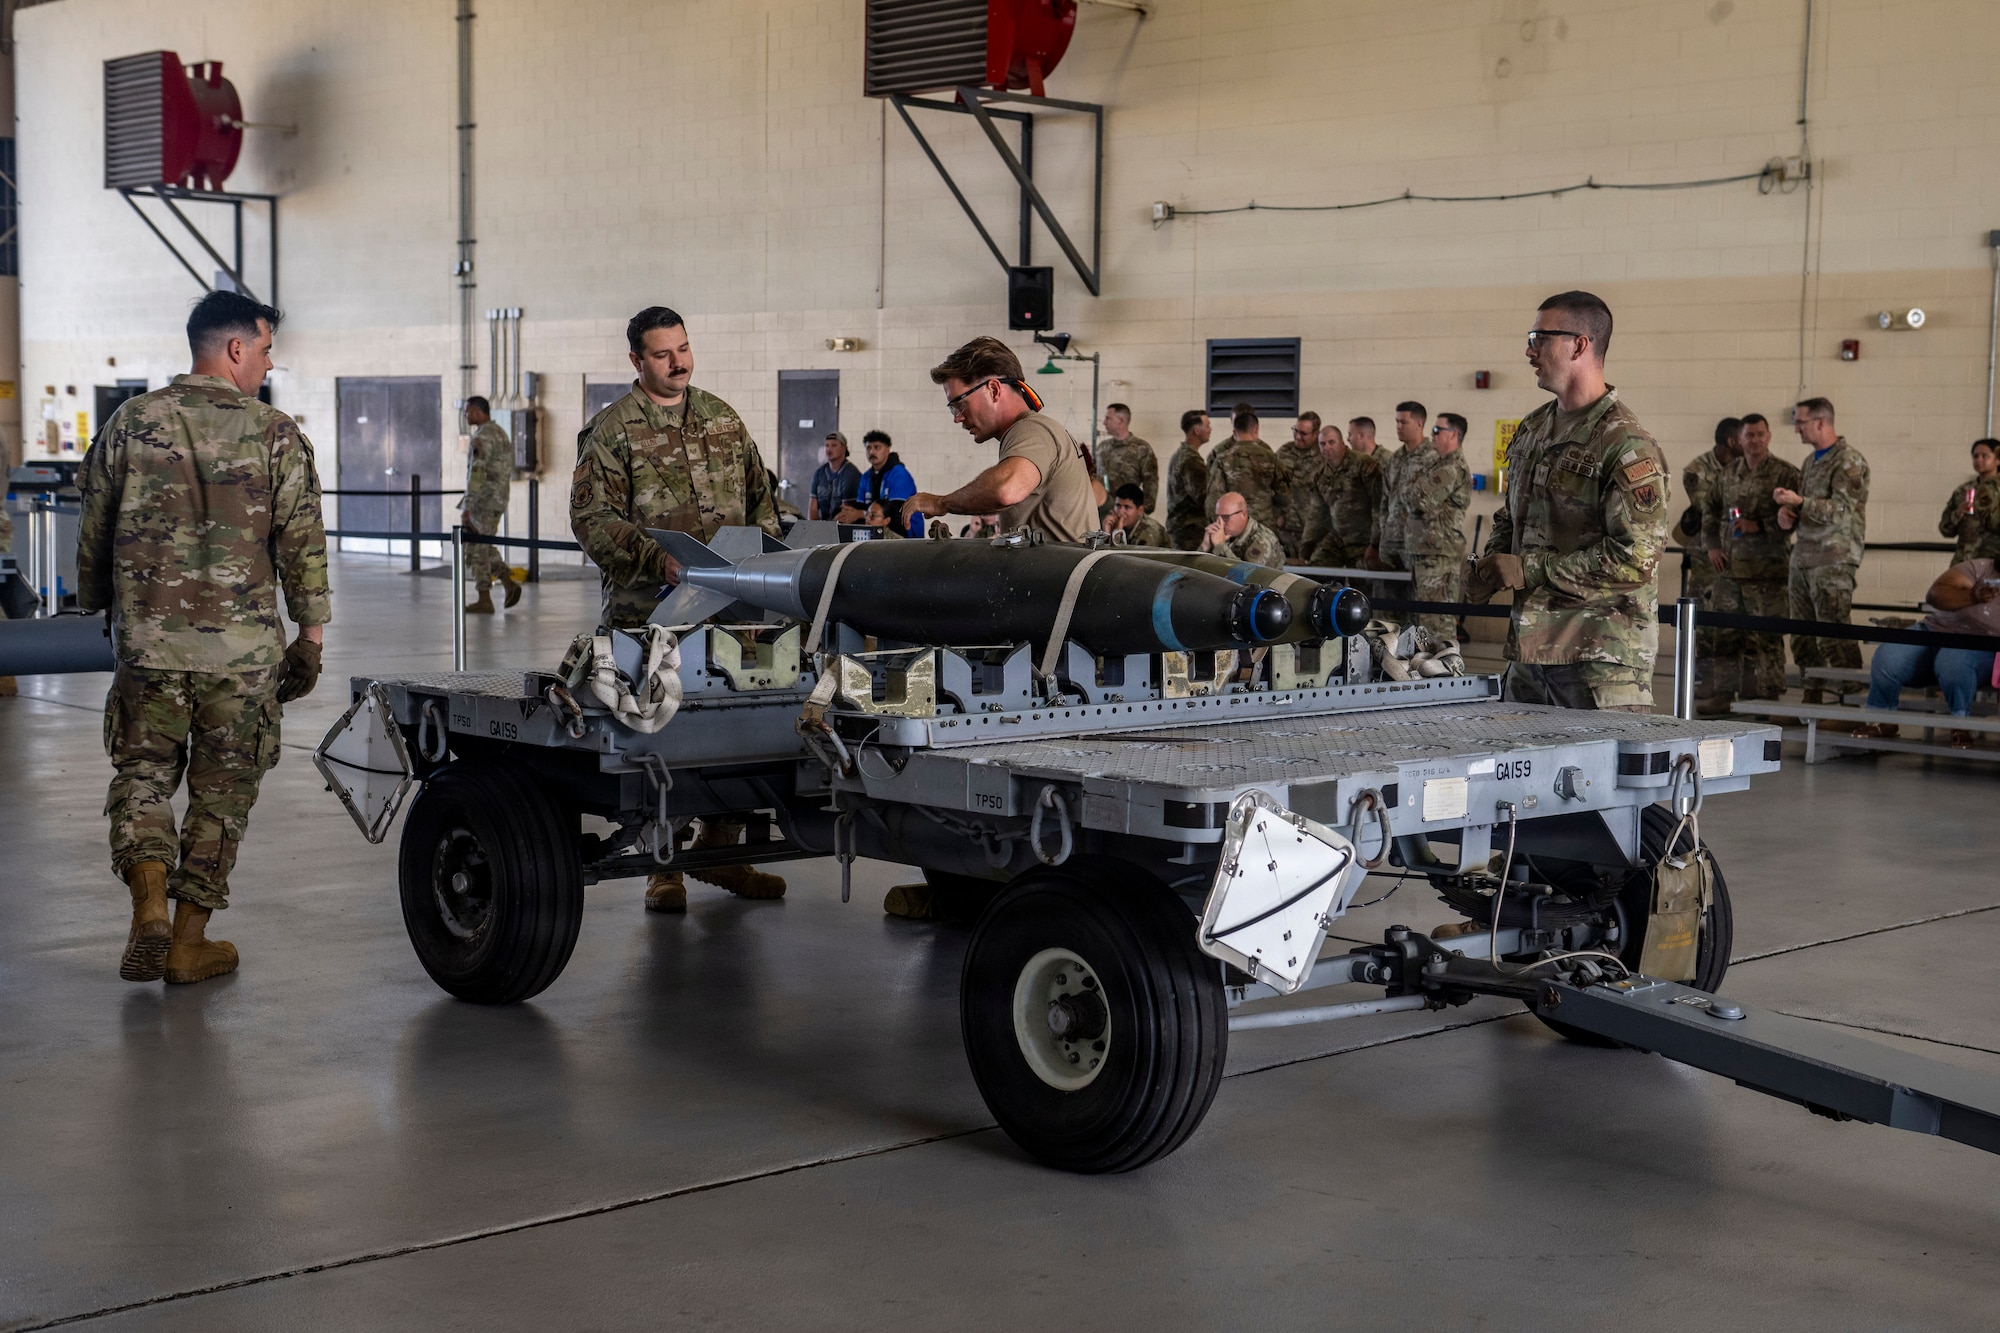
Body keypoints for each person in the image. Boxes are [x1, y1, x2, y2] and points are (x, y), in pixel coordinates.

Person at [76, 289, 329, 985]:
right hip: (240, 658)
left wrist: (99, 609)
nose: (268, 365)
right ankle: (188, 943)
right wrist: (307, 639)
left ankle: (149, 906)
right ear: (236, 347)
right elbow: (303, 544)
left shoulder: (131, 421)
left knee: (144, 774)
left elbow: (93, 526)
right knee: (223, 794)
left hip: (149, 646)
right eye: (267, 349)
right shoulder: (274, 432)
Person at [570, 305, 786, 913]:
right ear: (637, 360)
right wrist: (652, 558)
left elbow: (763, 505)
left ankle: (726, 849)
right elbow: (590, 519)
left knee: (749, 723)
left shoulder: (723, 419)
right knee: (658, 735)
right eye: (663, 354)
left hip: (738, 608)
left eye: (684, 348)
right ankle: (664, 866)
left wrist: (769, 569)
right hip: (652, 614)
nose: (679, 362)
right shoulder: (612, 431)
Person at [1473, 291, 1670, 711]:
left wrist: (1527, 569)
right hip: (1530, 657)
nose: (1530, 350)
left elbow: (1635, 558)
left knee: (1595, 779)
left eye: (1540, 337)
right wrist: (1492, 566)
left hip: (1599, 663)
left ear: (1580, 344)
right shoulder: (1533, 428)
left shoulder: (1625, 444)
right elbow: (1511, 516)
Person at [907, 336, 1096, 543]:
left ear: (994, 390)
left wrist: (940, 503)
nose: (957, 417)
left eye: (959, 404)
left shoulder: (1032, 429)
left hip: (1059, 574)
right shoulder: (1034, 431)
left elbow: (1005, 490)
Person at [1702, 413, 1799, 713]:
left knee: (1766, 638)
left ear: (1769, 436)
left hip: (1767, 572)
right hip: (1729, 571)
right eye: (1749, 435)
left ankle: (1769, 699)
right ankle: (1724, 695)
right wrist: (1713, 548)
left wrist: (1759, 525)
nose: (1755, 440)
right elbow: (1711, 509)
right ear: (1739, 439)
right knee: (1726, 635)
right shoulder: (1728, 472)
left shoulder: (1786, 474)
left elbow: (1795, 519)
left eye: (1760, 434)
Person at [1775, 397, 1869, 699]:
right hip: (1803, 557)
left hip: (1833, 559)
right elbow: (1808, 508)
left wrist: (1799, 503)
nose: (1796, 430)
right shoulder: (1810, 462)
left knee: (1833, 634)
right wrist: (1789, 512)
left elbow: (1842, 510)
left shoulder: (1848, 461)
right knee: (1802, 636)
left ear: (1820, 422)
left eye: (1800, 423)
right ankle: (1811, 698)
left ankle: (1852, 701)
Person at [1857, 559, 1999, 749]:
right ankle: (1880, 719)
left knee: (1953, 664)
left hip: (1978, 643)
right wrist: (1973, 595)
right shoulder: (1980, 568)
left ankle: (1960, 724)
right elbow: (1936, 594)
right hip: (1933, 630)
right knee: (1887, 656)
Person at [1680, 417, 1741, 709]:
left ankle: (1731, 683)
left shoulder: (1743, 468)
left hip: (1737, 554)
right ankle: (1706, 681)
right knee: (1703, 618)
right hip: (1707, 556)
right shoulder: (1697, 470)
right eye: (1743, 437)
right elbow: (1711, 509)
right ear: (1731, 441)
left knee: (1731, 620)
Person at [1403, 413, 1472, 640]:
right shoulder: (1438, 465)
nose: (1431, 434)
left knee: (1436, 623)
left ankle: (1444, 669)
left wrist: (1415, 488)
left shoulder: (1451, 469)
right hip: (1426, 551)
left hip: (1438, 553)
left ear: (1453, 434)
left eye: (1437, 430)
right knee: (1421, 620)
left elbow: (1418, 498)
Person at [460, 396, 521, 614]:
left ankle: (485, 597)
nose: (465, 415)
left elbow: (477, 473)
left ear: (477, 412)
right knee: (483, 545)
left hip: (483, 501)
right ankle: (507, 582)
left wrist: (468, 504)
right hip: (498, 498)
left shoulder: (482, 437)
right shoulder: (500, 433)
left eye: (467, 411)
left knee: (475, 547)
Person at [1307, 422, 1383, 571]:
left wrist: (1375, 544)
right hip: (1337, 537)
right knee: (1315, 570)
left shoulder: (1363, 463)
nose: (1327, 447)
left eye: (1331, 442)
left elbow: (1378, 504)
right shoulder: (1319, 473)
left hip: (1363, 538)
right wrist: (1306, 548)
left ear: (1342, 443)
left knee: (1362, 583)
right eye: (1322, 444)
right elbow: (1317, 513)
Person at [1369, 401, 1430, 571]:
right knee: (1386, 595)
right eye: (1396, 421)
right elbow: (1385, 500)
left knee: (1415, 596)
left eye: (1403, 422)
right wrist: (1381, 533)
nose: (1398, 426)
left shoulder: (1433, 458)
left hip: (1418, 546)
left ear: (1419, 424)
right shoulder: (1395, 459)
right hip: (1390, 544)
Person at [1204, 404, 1280, 533]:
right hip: (1234, 522)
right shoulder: (1220, 451)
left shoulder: (1266, 451)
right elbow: (1213, 494)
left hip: (1261, 522)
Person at [1271, 411, 1329, 560]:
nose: (1297, 436)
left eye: (1303, 433)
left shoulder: (1324, 456)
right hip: (1284, 530)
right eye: (1295, 431)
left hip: (1311, 531)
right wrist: (1277, 514)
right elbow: (1271, 486)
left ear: (1316, 433)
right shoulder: (1284, 452)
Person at [846, 430, 923, 537]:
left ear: (887, 450)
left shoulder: (899, 474)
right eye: (869, 448)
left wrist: (862, 514)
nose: (872, 452)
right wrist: (848, 511)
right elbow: (860, 506)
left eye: (877, 447)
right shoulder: (866, 476)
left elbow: (895, 511)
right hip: (879, 530)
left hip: (907, 533)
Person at [1939, 437, 2000, 564]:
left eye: (1985, 456)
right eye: (1975, 456)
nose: (1979, 460)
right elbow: (1945, 530)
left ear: (1997, 460)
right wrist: (1957, 514)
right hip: (1964, 561)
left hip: (1993, 563)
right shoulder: (1963, 491)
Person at [1094, 403, 1157, 519]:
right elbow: (1093, 479)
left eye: (1108, 418)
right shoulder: (1101, 448)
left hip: (1127, 516)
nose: (1104, 422)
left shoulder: (1141, 449)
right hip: (1102, 516)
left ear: (1121, 421)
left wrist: (1140, 514)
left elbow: (1151, 484)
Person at [1165, 409, 1212, 550]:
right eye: (1207, 425)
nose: (1210, 429)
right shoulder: (1191, 460)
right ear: (1197, 430)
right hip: (1190, 533)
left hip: (1180, 529)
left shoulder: (1180, 454)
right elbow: (1204, 497)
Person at [1201, 490, 1284, 568]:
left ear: (1243, 514)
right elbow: (1194, 571)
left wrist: (1220, 545)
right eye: (1217, 517)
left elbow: (1245, 575)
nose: (1220, 523)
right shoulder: (1224, 534)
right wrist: (1205, 547)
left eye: (1226, 517)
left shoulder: (1262, 539)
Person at [808, 430, 861, 522]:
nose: (829, 449)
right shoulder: (819, 473)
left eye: (834, 445)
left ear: (844, 448)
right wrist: (813, 528)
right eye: (827, 445)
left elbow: (846, 511)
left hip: (843, 526)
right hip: (824, 526)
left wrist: (830, 529)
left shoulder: (851, 474)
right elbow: (813, 508)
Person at [1103, 483, 1170, 547]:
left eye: (1127, 507)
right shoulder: (1117, 524)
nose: (1120, 512)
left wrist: (1117, 534)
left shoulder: (1150, 532)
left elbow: (1125, 558)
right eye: (1118, 505)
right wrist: (1106, 534)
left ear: (1140, 510)